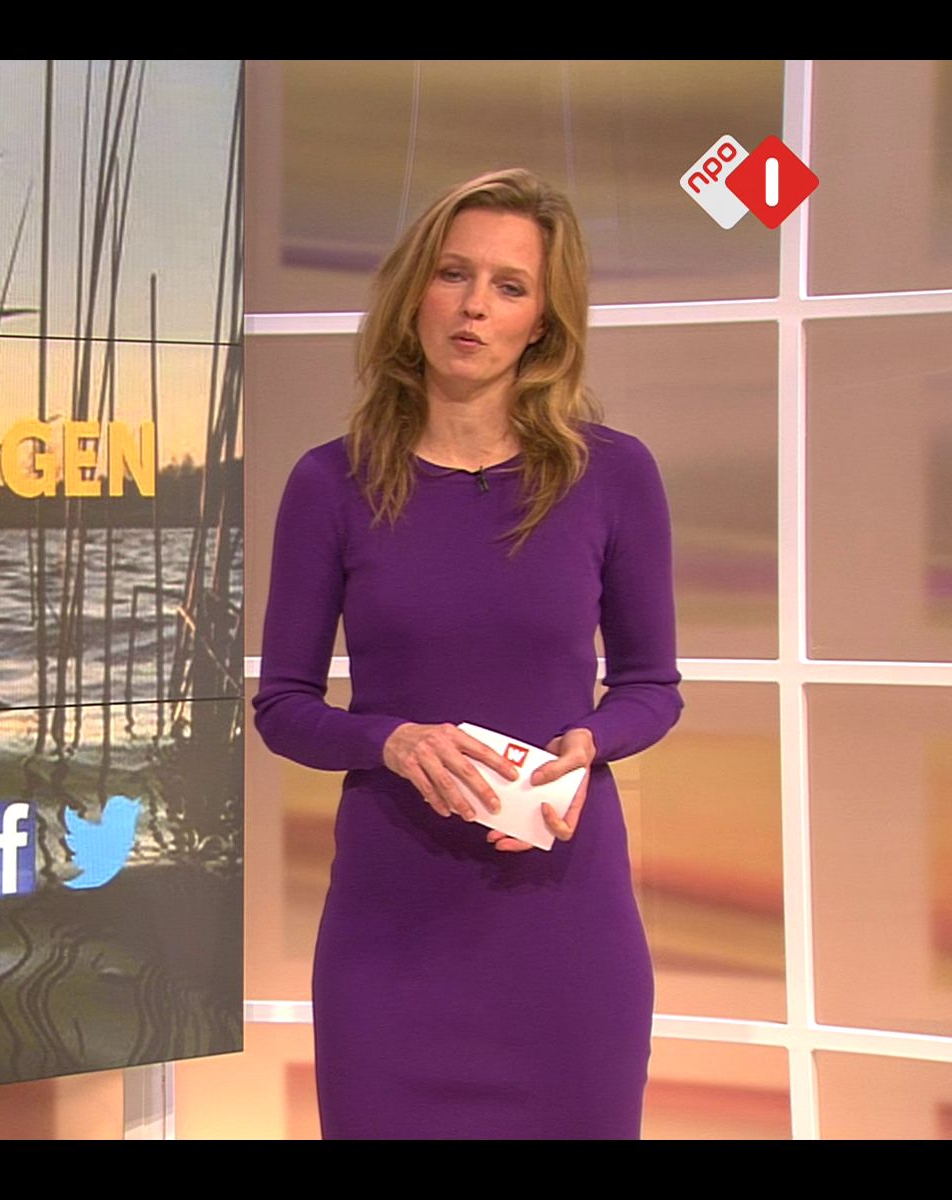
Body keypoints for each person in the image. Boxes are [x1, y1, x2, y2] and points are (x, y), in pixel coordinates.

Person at [251, 168, 683, 1140]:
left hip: (563, 922)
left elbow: (652, 685)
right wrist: (390, 740)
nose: (475, 305)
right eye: (454, 274)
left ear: (543, 321)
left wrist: (592, 743)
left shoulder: (613, 474)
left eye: (509, 285)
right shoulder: (331, 483)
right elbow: (284, 706)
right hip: (391, 927)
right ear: (415, 293)